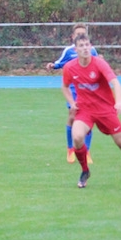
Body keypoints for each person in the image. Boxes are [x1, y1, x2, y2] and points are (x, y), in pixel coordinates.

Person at [62, 34, 121, 189]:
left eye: (87, 45)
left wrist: (119, 102)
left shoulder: (99, 63)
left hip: (105, 110)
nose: (85, 48)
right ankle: (85, 171)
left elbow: (115, 83)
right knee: (77, 137)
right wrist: (72, 103)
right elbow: (65, 86)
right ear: (76, 49)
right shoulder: (70, 67)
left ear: (91, 46)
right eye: (81, 46)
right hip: (85, 110)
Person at [45, 23, 96, 164]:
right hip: (73, 90)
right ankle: (70, 149)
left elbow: (97, 65)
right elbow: (60, 63)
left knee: (88, 120)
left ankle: (86, 151)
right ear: (73, 37)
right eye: (78, 34)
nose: (80, 36)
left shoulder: (92, 50)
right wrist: (53, 65)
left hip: (88, 90)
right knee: (73, 116)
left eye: (83, 34)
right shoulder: (69, 51)